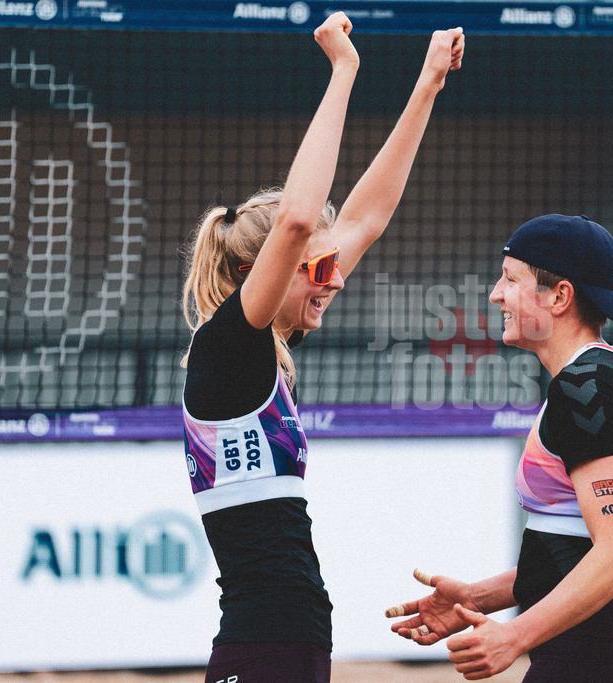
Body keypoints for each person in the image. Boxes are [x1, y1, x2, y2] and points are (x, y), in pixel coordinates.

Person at [179, 14, 463, 682]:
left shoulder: (266, 348)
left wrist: (427, 82)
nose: (333, 281)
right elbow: (300, 219)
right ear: (260, 274)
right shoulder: (229, 346)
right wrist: (343, 70)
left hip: (289, 635)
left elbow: (364, 217)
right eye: (316, 269)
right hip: (263, 640)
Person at [385, 214, 613, 682]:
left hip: (600, 652)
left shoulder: (587, 385)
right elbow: (571, 547)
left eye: (510, 279)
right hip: (602, 646)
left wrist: (514, 636)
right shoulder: (604, 371)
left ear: (559, 296)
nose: (496, 294)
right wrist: (475, 599)